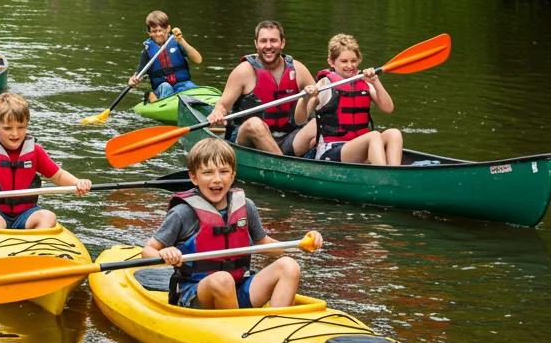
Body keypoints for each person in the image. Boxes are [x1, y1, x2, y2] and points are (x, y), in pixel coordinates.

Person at [141, 138, 322, 309]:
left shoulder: (246, 207)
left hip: (239, 286)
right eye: (208, 172)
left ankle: (276, 324)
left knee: (289, 266)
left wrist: (300, 245)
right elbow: (147, 252)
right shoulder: (182, 213)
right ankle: (238, 330)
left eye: (224, 171)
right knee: (222, 279)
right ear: (194, 177)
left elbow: (264, 243)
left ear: (233, 175)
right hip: (197, 293)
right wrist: (165, 252)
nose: (217, 179)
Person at [0, 92, 92, 229]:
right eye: (8, 128)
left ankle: (34, 249)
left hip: (24, 214)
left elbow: (58, 175)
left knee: (48, 216)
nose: (15, 134)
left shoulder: (35, 151)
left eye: (21, 127)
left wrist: (77, 183)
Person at [207, 20, 316, 157]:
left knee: (318, 123)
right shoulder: (243, 71)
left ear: (282, 43)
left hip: (289, 137)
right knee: (254, 124)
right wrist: (217, 113)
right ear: (256, 44)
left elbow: (318, 101)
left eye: (273, 41)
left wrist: (313, 96)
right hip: (249, 139)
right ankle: (284, 168)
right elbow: (222, 105)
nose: (268, 46)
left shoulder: (298, 69)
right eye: (263, 41)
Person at [295, 33, 403, 165]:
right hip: (331, 151)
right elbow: (300, 119)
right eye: (344, 61)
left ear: (359, 60)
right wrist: (305, 98)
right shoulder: (324, 84)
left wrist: (375, 81)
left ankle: (394, 173)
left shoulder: (365, 83)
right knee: (374, 135)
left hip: (360, 146)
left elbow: (388, 108)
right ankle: (384, 177)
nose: (350, 65)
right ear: (331, 62)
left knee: (394, 133)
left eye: (354, 61)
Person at [128, 10, 203, 101]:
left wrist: (182, 40)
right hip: (162, 89)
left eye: (161, 30)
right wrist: (132, 81)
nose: (158, 34)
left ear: (168, 29)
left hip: (182, 85)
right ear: (149, 33)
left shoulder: (177, 41)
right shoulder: (147, 50)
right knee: (166, 87)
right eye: (154, 31)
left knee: (190, 86)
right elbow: (137, 75)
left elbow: (198, 60)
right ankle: (153, 97)